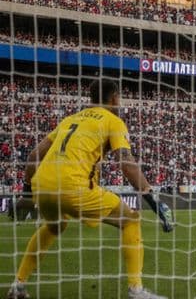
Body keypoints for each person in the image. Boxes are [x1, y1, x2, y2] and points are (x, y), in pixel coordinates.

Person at [7, 80, 173, 299]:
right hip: (73, 187)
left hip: (42, 185)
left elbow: (33, 156)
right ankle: (136, 290)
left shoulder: (70, 119)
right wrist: (153, 200)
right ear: (114, 98)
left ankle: (18, 285)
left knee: (55, 226)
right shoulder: (113, 121)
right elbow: (126, 163)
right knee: (131, 219)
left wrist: (27, 194)